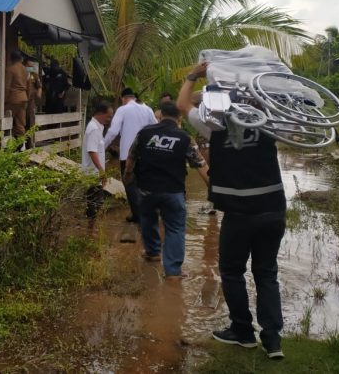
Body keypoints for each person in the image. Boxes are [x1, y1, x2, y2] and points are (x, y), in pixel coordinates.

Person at [177, 60, 286, 360]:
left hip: (239, 212)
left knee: (232, 270)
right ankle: (273, 340)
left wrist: (193, 75)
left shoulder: (216, 125)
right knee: (266, 273)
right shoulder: (270, 121)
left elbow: (182, 103)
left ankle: (242, 331)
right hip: (273, 208)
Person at [123, 102, 207, 277]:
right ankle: (173, 271)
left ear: (160, 115)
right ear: (180, 118)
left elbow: (131, 157)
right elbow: (200, 164)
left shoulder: (144, 133)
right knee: (175, 228)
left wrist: (128, 176)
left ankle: (153, 253)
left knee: (147, 219)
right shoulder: (185, 138)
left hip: (147, 190)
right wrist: (211, 186)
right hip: (173, 191)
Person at [104, 88, 158, 223]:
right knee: (143, 184)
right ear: (134, 96)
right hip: (146, 154)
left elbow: (113, 131)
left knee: (129, 184)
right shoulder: (148, 110)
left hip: (127, 155)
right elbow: (157, 130)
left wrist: (102, 147)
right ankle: (148, 213)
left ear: (123, 98)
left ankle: (137, 215)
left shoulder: (123, 110)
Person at [82, 102, 114, 219]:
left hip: (93, 172)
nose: (109, 119)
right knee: (95, 203)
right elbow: (92, 151)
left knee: (94, 202)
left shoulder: (96, 127)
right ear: (100, 114)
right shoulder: (94, 129)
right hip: (93, 173)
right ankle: (90, 230)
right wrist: (101, 171)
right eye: (108, 116)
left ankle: (90, 228)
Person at [5, 50, 29, 139]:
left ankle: (6, 143)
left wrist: (4, 100)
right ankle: (22, 144)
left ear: (11, 59)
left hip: (14, 98)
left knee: (6, 118)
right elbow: (29, 84)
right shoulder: (25, 70)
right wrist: (28, 96)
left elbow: (7, 86)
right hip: (24, 98)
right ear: (20, 59)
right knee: (21, 122)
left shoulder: (11, 69)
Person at [24, 55, 42, 147]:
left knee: (30, 122)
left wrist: (38, 94)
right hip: (22, 102)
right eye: (28, 66)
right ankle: (19, 145)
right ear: (25, 65)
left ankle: (29, 145)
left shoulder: (34, 75)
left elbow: (39, 87)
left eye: (31, 66)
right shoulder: (21, 73)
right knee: (21, 123)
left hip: (30, 102)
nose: (30, 68)